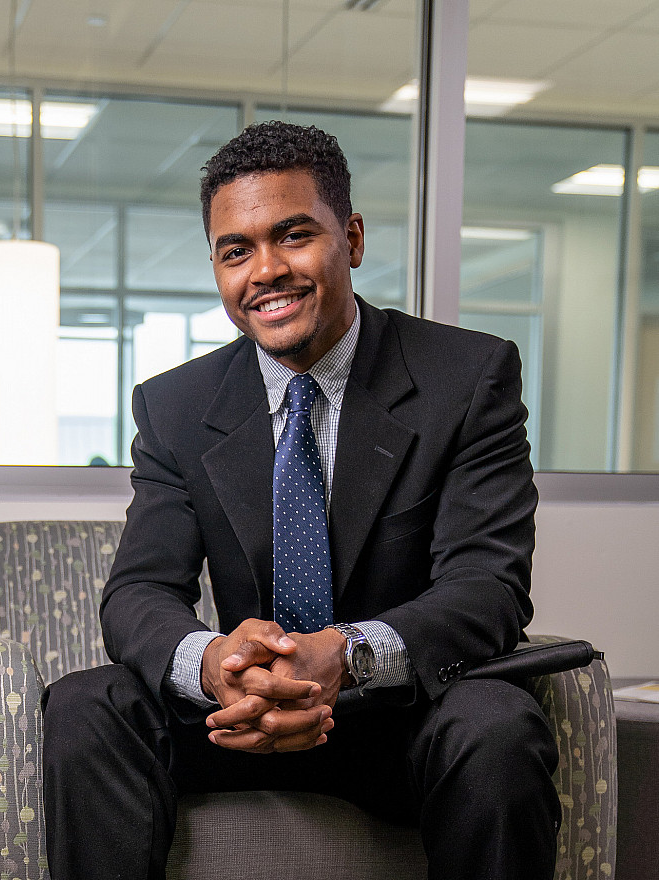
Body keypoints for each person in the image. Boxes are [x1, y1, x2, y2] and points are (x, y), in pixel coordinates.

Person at [42, 121, 561, 879]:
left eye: (293, 235)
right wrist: (215, 663)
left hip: (398, 722)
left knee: (499, 726)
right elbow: (140, 591)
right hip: (234, 724)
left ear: (349, 237)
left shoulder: (467, 378)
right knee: (88, 707)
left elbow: (488, 588)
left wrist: (347, 656)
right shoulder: (175, 406)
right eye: (236, 250)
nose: (266, 271)